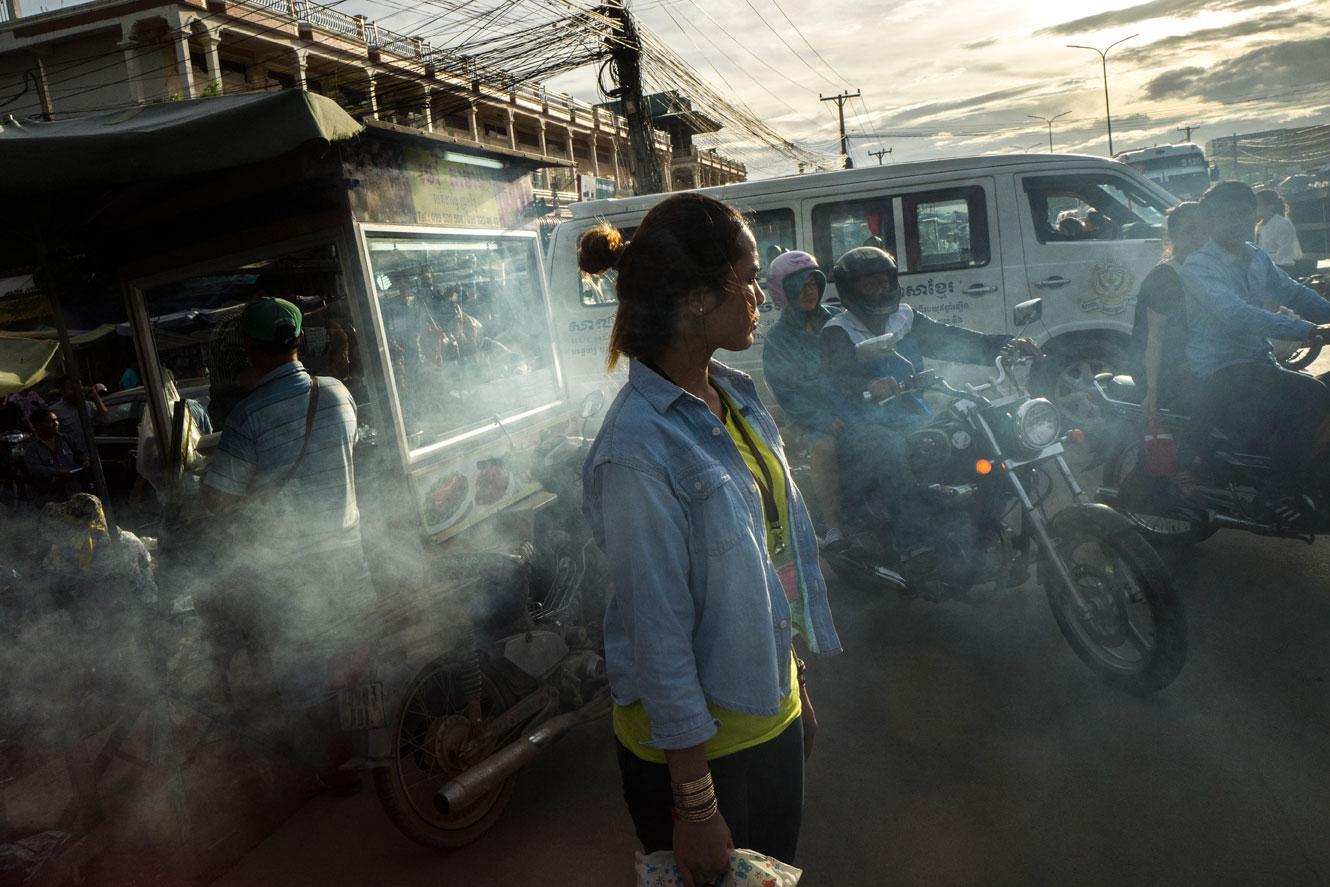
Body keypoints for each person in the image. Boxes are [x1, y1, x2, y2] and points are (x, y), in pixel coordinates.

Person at [578, 193, 841, 882]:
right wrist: (695, 802)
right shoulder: (637, 449)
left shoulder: (734, 396)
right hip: (699, 759)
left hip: (767, 711)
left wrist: (795, 684)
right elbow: (657, 631)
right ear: (696, 299)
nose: (760, 295)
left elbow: (767, 559)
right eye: (748, 278)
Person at [201, 296, 375, 787]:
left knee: (303, 664)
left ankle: (328, 767)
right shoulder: (339, 393)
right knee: (351, 652)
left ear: (250, 350)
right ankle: (368, 747)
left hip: (291, 566)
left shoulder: (247, 417)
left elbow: (218, 504)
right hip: (348, 553)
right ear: (300, 340)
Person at [819, 247, 1035, 548]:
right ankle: (915, 542)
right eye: (870, 284)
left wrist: (1007, 346)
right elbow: (836, 379)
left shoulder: (904, 318)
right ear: (850, 290)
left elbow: (951, 338)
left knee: (970, 434)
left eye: (884, 282)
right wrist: (869, 386)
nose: (880, 290)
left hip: (913, 412)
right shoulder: (838, 331)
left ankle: (978, 520)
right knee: (894, 454)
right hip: (864, 422)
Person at [1180, 181, 1330, 492]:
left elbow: (1295, 293)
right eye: (1229, 216)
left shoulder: (1256, 256)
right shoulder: (1198, 266)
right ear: (1210, 222)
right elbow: (1237, 315)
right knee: (1313, 396)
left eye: (1245, 215)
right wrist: (1309, 331)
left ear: (1255, 216)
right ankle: (1280, 489)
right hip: (1221, 369)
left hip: (1258, 361)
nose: (1240, 223)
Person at [761, 251, 846, 542]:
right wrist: (822, 420)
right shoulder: (777, 342)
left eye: (814, 284)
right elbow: (788, 396)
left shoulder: (837, 320)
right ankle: (834, 525)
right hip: (807, 421)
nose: (810, 291)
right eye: (801, 285)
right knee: (824, 448)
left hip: (850, 409)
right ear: (783, 292)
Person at [1128, 202, 1206, 418]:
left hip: (1197, 364)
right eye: (1190, 230)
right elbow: (1154, 339)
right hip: (1165, 371)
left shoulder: (1208, 272)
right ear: (1173, 236)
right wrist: (1152, 391)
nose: (1200, 237)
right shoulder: (1165, 276)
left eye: (1205, 229)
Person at [22, 409, 87, 503]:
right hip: (50, 496)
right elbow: (34, 469)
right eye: (50, 422)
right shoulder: (32, 447)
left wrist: (86, 460)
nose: (56, 423)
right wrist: (57, 472)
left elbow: (80, 454)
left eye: (56, 420)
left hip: (74, 491)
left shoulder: (66, 439)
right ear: (38, 425)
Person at [1255, 189, 1303, 272]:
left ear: (1270, 206)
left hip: (1283, 268)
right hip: (1263, 267)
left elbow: (1285, 253)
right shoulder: (1259, 226)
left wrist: (1261, 261)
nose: (1255, 208)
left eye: (1258, 204)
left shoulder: (1282, 223)